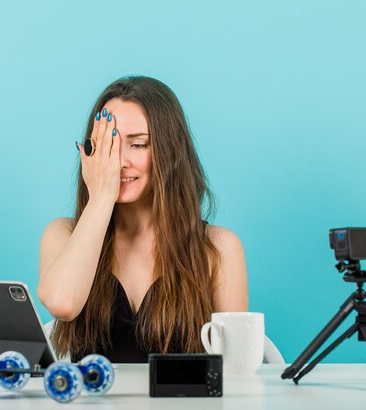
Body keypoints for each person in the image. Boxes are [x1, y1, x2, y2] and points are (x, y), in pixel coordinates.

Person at [38, 76, 248, 363]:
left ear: (168, 152)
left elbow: (236, 369)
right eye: (107, 144)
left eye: (138, 145)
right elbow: (63, 304)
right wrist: (101, 197)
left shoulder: (219, 248)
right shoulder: (62, 233)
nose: (119, 161)